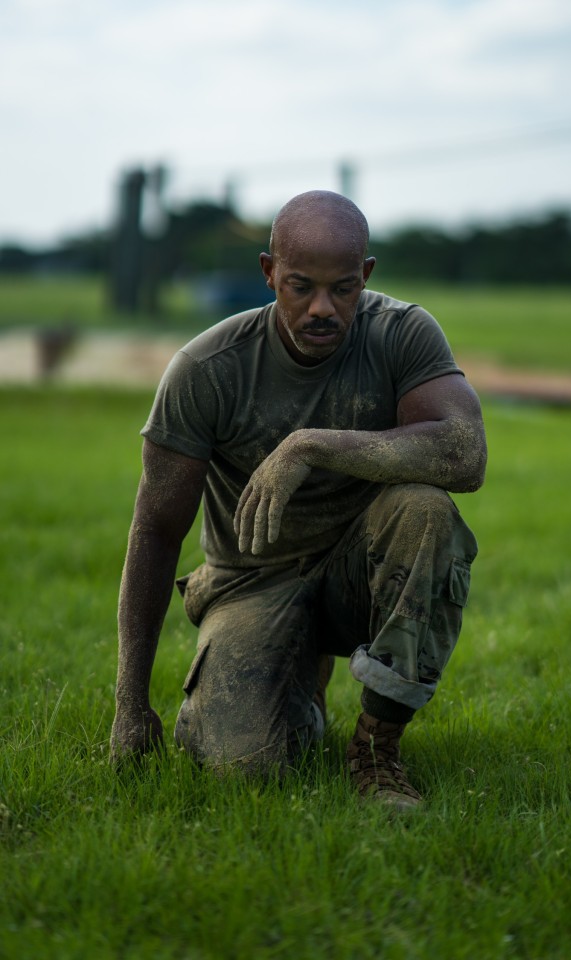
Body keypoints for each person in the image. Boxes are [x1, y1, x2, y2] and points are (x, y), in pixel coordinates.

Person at [110, 190, 487, 812]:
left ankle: (376, 750)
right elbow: (154, 531)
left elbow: (464, 454)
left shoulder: (402, 332)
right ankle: (295, 689)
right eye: (299, 286)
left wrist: (311, 445)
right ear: (268, 273)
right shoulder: (207, 368)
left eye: (343, 289)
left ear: (365, 275)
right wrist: (129, 705)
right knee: (245, 770)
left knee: (425, 509)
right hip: (250, 582)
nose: (322, 308)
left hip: (358, 574)